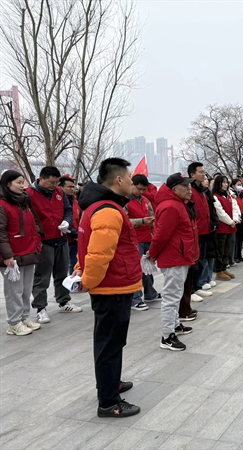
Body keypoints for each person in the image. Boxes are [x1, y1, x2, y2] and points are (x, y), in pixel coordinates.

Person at [72, 158, 141, 418]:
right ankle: (109, 402)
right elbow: (99, 254)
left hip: (113, 285)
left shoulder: (97, 207)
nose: (132, 182)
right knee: (110, 344)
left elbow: (88, 248)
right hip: (112, 287)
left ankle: (111, 383)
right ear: (119, 179)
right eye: (130, 177)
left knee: (112, 341)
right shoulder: (108, 210)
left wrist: (81, 269)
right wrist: (87, 280)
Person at [149, 173, 199, 350]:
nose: (189, 189)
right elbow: (161, 235)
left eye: (189, 186)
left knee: (176, 295)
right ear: (174, 189)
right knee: (171, 297)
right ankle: (167, 335)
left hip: (180, 256)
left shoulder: (177, 203)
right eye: (185, 186)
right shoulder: (171, 206)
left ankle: (175, 325)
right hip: (174, 258)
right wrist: (152, 255)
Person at [27, 166, 80, 323]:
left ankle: (64, 301)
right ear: (41, 179)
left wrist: (67, 221)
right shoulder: (29, 194)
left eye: (56, 182)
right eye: (51, 182)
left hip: (61, 238)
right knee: (42, 277)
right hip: (44, 242)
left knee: (62, 273)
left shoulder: (59, 193)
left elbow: (68, 210)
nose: (54, 186)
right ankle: (40, 308)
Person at [0, 170, 43, 336]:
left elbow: (33, 224)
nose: (22, 186)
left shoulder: (23, 202)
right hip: (13, 255)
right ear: (7, 183)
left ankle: (24, 317)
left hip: (29, 250)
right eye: (18, 182)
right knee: (14, 290)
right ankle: (14, 322)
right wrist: (7, 255)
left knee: (26, 288)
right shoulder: (2, 204)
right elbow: (1, 233)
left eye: (22, 182)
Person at [124, 174, 160, 311]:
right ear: (132, 185)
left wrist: (153, 226)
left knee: (148, 267)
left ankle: (150, 293)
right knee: (136, 270)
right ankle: (136, 299)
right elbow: (124, 220)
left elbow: (152, 216)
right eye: (139, 189)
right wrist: (141, 221)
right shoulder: (125, 200)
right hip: (134, 240)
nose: (141, 192)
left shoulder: (145, 200)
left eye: (144, 189)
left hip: (147, 237)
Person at [188, 162, 217, 299]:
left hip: (206, 230)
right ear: (192, 174)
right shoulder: (190, 191)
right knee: (194, 262)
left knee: (202, 260)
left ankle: (198, 285)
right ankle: (191, 290)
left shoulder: (203, 191)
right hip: (196, 232)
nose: (203, 174)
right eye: (200, 172)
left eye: (204, 172)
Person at [212, 175, 240, 280]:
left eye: (226, 182)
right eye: (223, 182)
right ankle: (218, 271)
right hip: (222, 227)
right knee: (220, 250)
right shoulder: (215, 197)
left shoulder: (229, 196)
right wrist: (230, 221)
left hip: (230, 226)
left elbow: (235, 208)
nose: (225, 184)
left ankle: (224, 268)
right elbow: (220, 212)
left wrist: (235, 220)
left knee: (226, 250)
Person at [59, 176, 80, 274]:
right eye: (69, 187)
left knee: (74, 264)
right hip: (64, 239)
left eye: (73, 186)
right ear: (61, 187)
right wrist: (75, 233)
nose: (72, 189)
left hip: (76, 239)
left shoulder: (75, 202)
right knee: (63, 266)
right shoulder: (59, 202)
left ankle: (73, 281)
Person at [231, 179, 243, 263]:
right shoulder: (232, 195)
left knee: (240, 238)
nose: (240, 186)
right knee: (236, 239)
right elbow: (234, 208)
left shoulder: (242, 195)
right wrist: (240, 215)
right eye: (238, 184)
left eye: (241, 184)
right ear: (233, 186)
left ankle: (239, 255)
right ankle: (234, 256)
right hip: (237, 219)